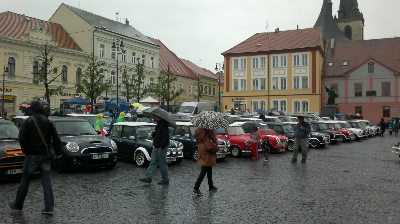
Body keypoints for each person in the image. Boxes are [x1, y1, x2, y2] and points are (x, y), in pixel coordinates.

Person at [8, 101, 62, 215]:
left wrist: (26, 150)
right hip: (46, 155)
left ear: (31, 109)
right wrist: (58, 152)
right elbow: (56, 139)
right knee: (46, 181)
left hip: (32, 155)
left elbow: (21, 138)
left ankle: (18, 204)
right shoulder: (48, 121)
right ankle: (49, 207)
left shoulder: (28, 121)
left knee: (25, 180)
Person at [139, 114, 170, 184]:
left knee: (162, 163)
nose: (152, 118)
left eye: (153, 116)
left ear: (157, 116)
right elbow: (158, 135)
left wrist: (161, 146)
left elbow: (165, 137)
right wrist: (153, 134)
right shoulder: (158, 124)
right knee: (153, 162)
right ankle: (148, 178)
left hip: (161, 147)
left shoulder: (164, 125)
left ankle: (165, 179)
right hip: (156, 146)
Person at [192, 128, 218, 196]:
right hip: (207, 148)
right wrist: (216, 141)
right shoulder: (208, 129)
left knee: (209, 167)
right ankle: (196, 188)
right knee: (204, 169)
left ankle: (211, 186)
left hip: (201, 148)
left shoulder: (197, 130)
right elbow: (214, 139)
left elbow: (197, 139)